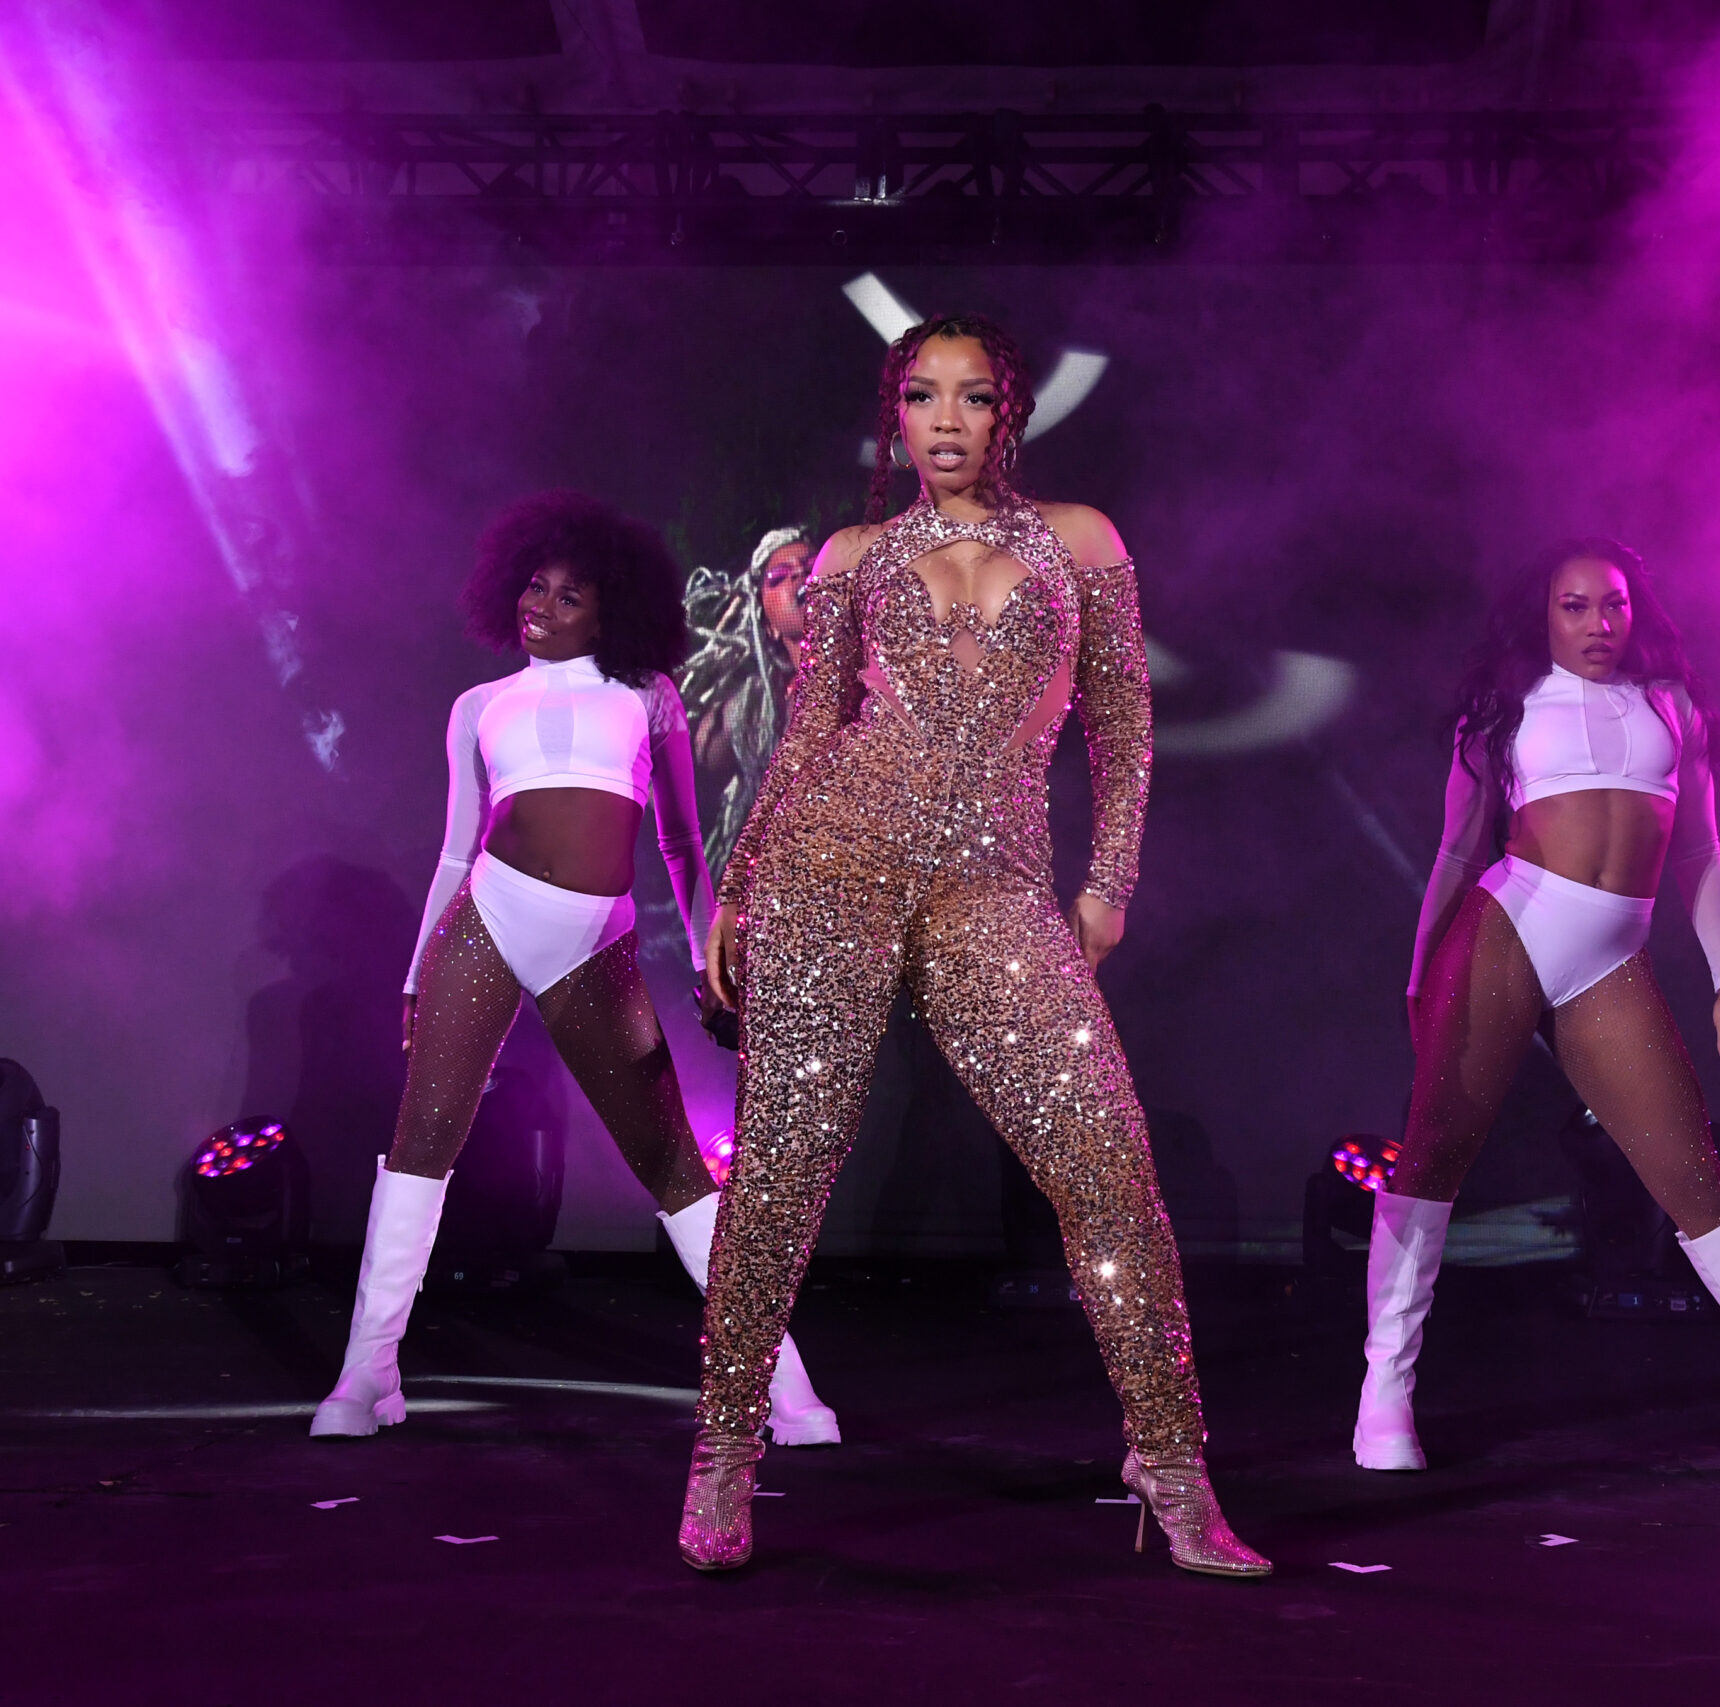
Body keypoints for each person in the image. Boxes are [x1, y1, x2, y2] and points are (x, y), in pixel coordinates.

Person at [678, 314, 1270, 1577]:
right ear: (895, 413)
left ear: (1011, 414)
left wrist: (1105, 887)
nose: (948, 421)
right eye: (923, 397)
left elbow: (1122, 723)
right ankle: (724, 1456)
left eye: (975, 398)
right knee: (781, 1176)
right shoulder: (849, 555)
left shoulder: (1080, 542)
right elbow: (809, 733)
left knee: (1107, 1167)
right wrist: (739, 884)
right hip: (830, 870)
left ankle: (1169, 1467)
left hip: (991, 889)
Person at [310, 491, 839, 1447]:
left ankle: (784, 1383)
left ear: (612, 607)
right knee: (422, 1137)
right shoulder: (479, 707)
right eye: (534, 588)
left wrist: (714, 944)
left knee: (674, 1161)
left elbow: (681, 838)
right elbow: (456, 851)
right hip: (490, 917)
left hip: (597, 939)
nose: (541, 605)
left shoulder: (648, 695)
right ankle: (367, 1373)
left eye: (568, 595)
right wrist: (416, 968)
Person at [1357, 539, 1720, 1480]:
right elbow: (1455, 851)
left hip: (1612, 955)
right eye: (1574, 606)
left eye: (1613, 605)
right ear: (1543, 615)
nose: (1598, 624)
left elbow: (1700, 855)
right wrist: (1414, 971)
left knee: (1696, 1180)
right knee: (1435, 1152)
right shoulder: (1505, 712)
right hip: (1511, 925)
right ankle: (1384, 1395)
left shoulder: (1672, 710)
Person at [678, 526, 816, 874]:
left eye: (810, 566)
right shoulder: (750, 705)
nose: (799, 576)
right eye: (779, 577)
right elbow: (695, 773)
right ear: (765, 621)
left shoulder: (872, 679)